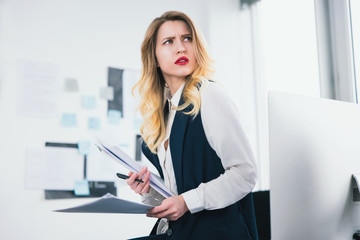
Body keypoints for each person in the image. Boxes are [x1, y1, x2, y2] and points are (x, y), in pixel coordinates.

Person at [127, 10, 258, 240]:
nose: (181, 47)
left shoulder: (210, 96)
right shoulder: (165, 114)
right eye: (169, 41)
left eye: (187, 38)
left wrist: (187, 202)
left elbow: (245, 173)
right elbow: (177, 193)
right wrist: (149, 191)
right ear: (155, 58)